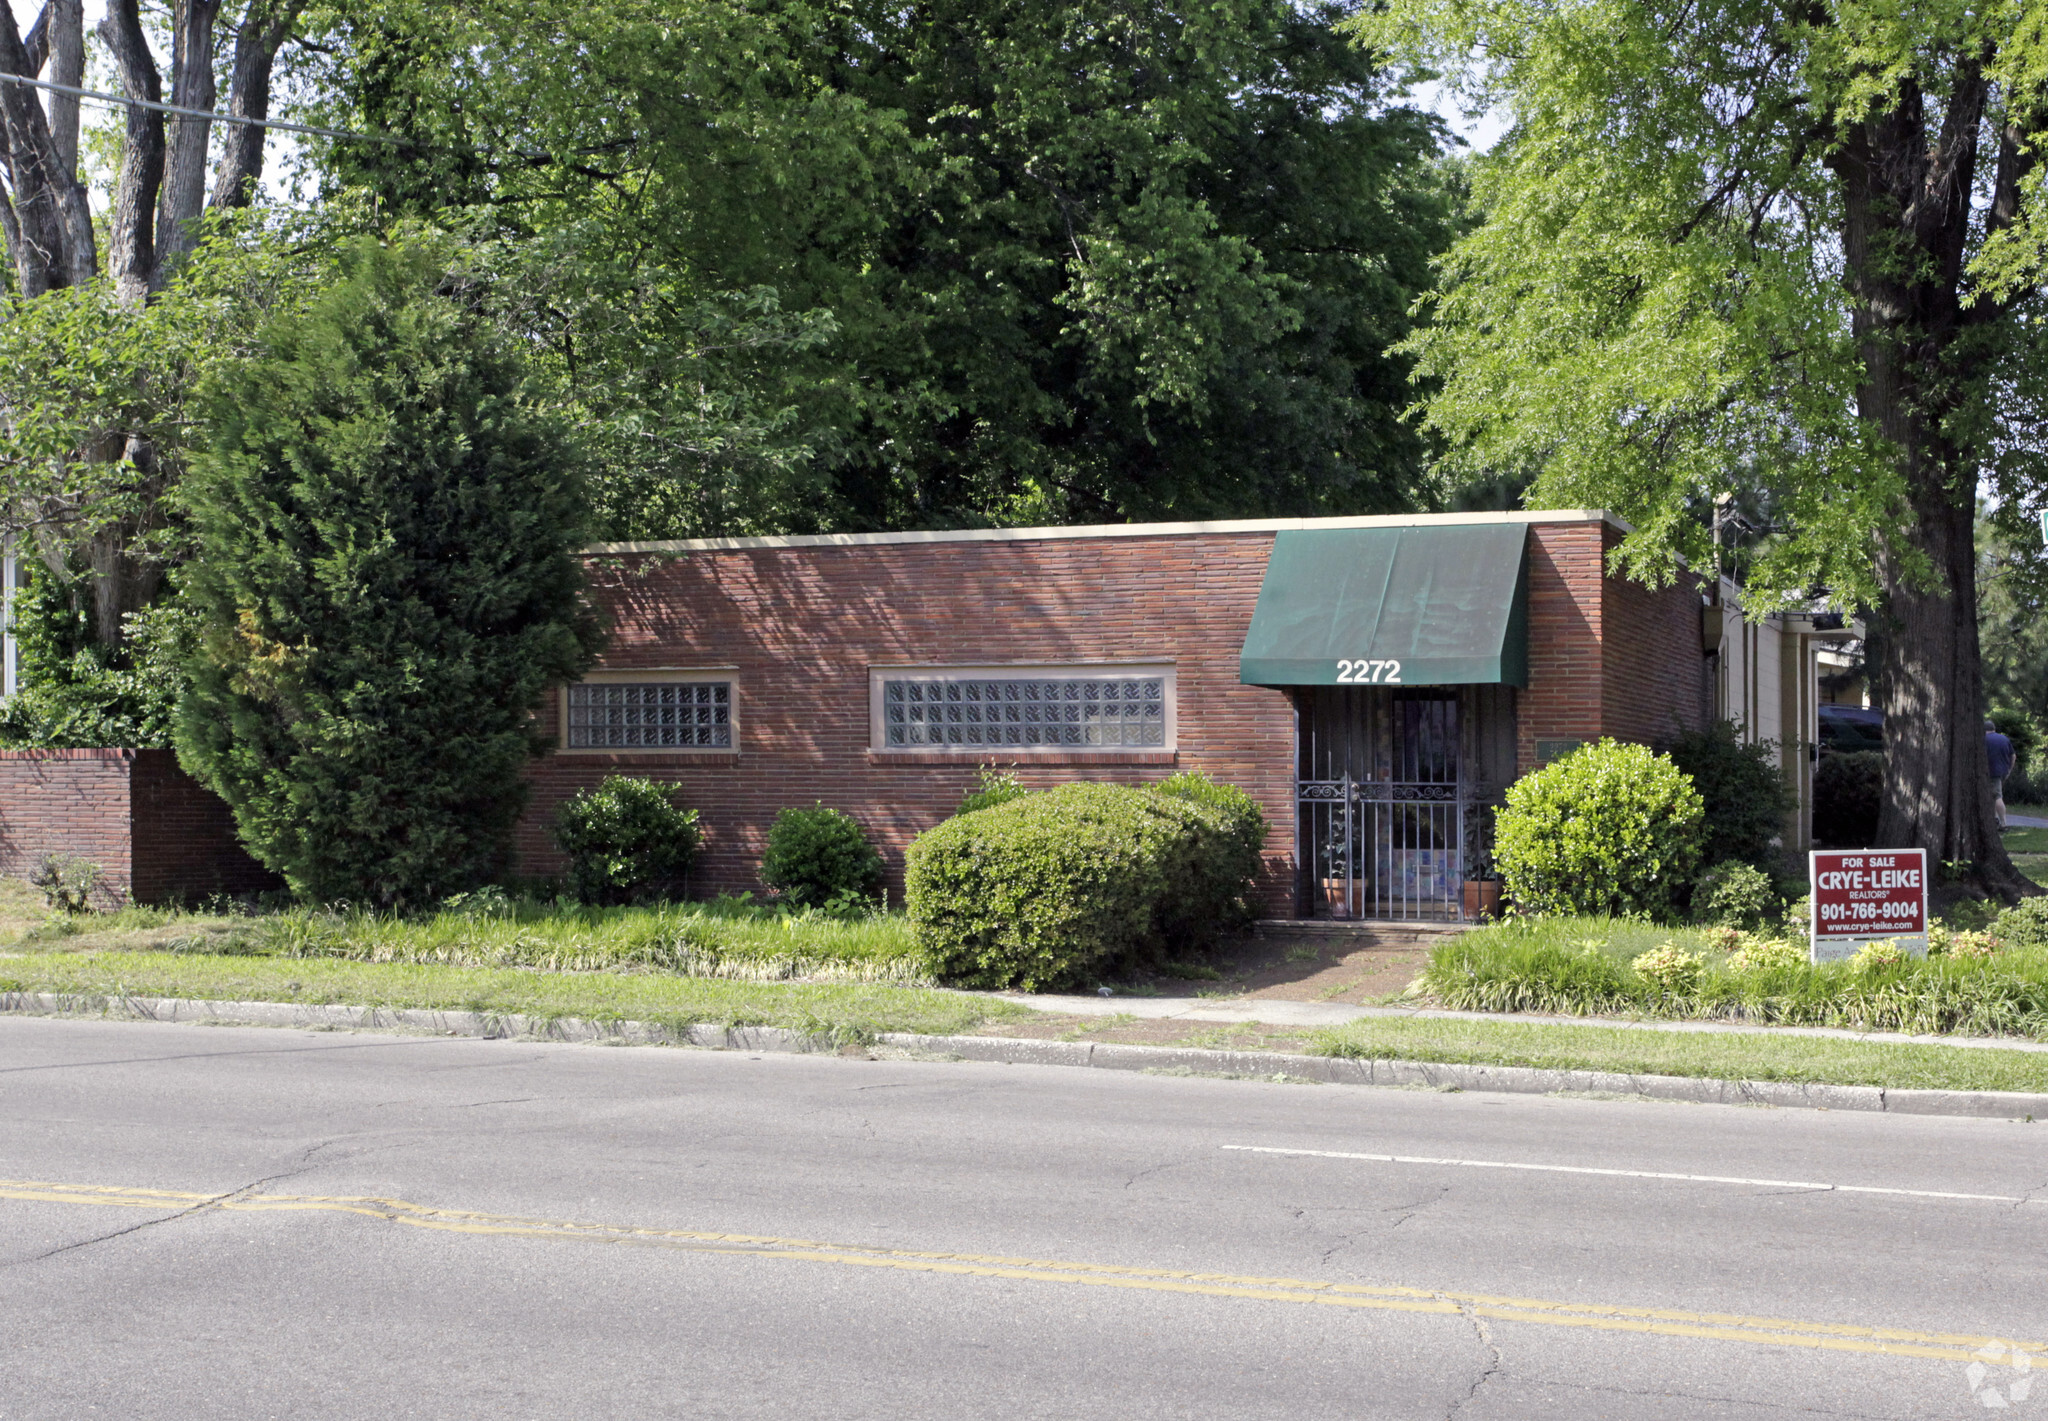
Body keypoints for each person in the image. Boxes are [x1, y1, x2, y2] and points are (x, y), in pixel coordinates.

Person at [1986, 718, 2015, 830]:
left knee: (1997, 796)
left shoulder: (1983, 739)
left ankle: (2003, 823)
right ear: (1994, 729)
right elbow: (2013, 756)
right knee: (1994, 795)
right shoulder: (2004, 739)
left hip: (1990, 771)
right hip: (2002, 772)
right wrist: (2009, 770)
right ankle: (1994, 819)